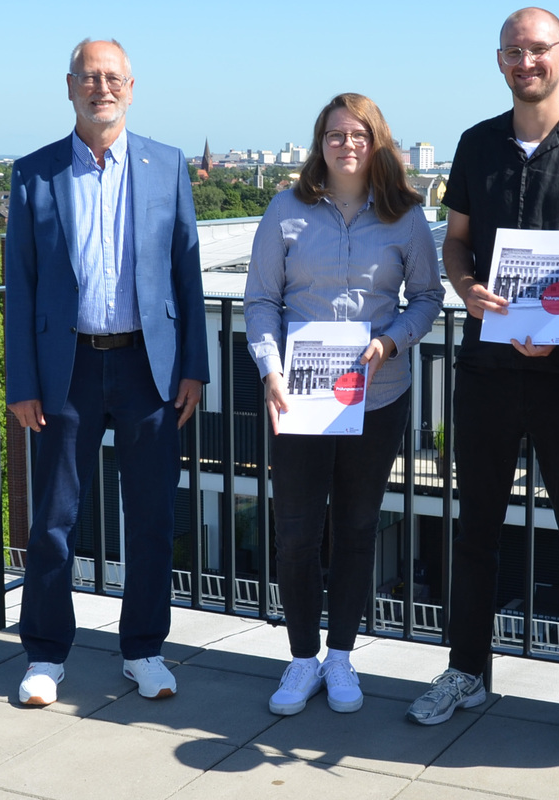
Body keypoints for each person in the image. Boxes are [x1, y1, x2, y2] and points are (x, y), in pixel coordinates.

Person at [405, 6, 559, 747]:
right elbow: (456, 246)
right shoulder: (476, 142)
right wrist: (466, 290)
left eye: (537, 49)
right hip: (485, 367)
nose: (525, 61)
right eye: (513, 50)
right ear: (499, 60)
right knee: (474, 529)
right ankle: (467, 671)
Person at [5, 38, 209, 705]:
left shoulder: (166, 164)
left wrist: (195, 368)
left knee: (151, 517)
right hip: (65, 372)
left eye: (113, 76)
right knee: (54, 520)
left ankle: (144, 650)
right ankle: (45, 655)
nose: (102, 87)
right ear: (69, 87)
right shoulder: (34, 172)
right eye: (89, 77)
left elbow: (186, 272)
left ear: (131, 86)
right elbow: (22, 284)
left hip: (148, 370)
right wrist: (23, 383)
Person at [245, 93, 443, 716]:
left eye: (359, 135)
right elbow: (259, 302)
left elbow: (428, 297)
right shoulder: (286, 209)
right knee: (298, 533)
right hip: (299, 397)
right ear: (319, 142)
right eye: (335, 135)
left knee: (357, 529)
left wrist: (392, 341)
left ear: (377, 142)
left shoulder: (406, 216)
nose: (346, 145)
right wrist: (270, 369)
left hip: (378, 398)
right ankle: (303, 658)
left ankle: (342, 655)